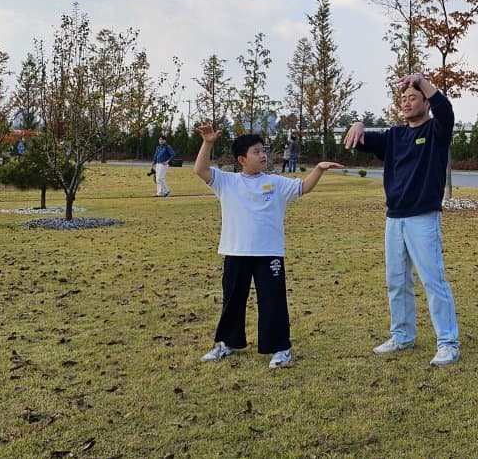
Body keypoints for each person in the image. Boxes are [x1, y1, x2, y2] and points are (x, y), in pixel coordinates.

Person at [194, 125, 343, 368]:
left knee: (272, 300)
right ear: (242, 159)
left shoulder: (275, 182)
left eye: (264, 150)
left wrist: (319, 169)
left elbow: (303, 187)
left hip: (269, 253)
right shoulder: (227, 182)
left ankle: (280, 348)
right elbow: (200, 169)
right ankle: (227, 343)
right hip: (236, 251)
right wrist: (208, 142)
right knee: (233, 299)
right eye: (256, 152)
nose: (263, 155)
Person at [343, 73, 461, 367]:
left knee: (433, 282)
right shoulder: (395, 136)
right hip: (394, 219)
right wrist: (358, 124)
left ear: (425, 101)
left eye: (413, 97)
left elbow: (446, 110)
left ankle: (448, 343)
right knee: (396, 281)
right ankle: (402, 336)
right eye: (404, 99)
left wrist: (422, 81)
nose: (407, 103)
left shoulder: (437, 130)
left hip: (423, 218)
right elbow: (361, 142)